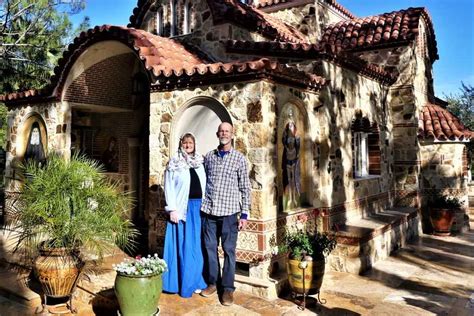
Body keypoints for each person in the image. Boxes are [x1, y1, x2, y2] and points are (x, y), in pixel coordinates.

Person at [200, 122, 251, 306]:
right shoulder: (209, 157)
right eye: (221, 131)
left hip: (230, 214)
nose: (224, 133)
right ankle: (213, 282)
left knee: (229, 251)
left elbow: (245, 188)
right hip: (209, 212)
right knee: (209, 249)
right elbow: (201, 180)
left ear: (232, 134)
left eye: (227, 131)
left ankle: (228, 289)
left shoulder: (239, 159)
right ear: (217, 134)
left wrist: (244, 215)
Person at [162, 133, 207, 298]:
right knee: (183, 246)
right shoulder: (174, 163)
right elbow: (168, 187)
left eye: (191, 142)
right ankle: (181, 283)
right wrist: (172, 209)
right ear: (181, 144)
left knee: (196, 246)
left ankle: (195, 280)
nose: (188, 145)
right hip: (182, 209)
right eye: (185, 142)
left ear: (194, 144)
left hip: (198, 209)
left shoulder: (200, 163)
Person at [282, 116, 301, 210]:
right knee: (289, 180)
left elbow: (298, 145)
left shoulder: (296, 137)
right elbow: (283, 141)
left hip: (294, 158)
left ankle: (294, 198)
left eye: (292, 125)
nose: (290, 126)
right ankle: (289, 199)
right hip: (287, 158)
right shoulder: (285, 137)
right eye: (289, 125)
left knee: (294, 179)